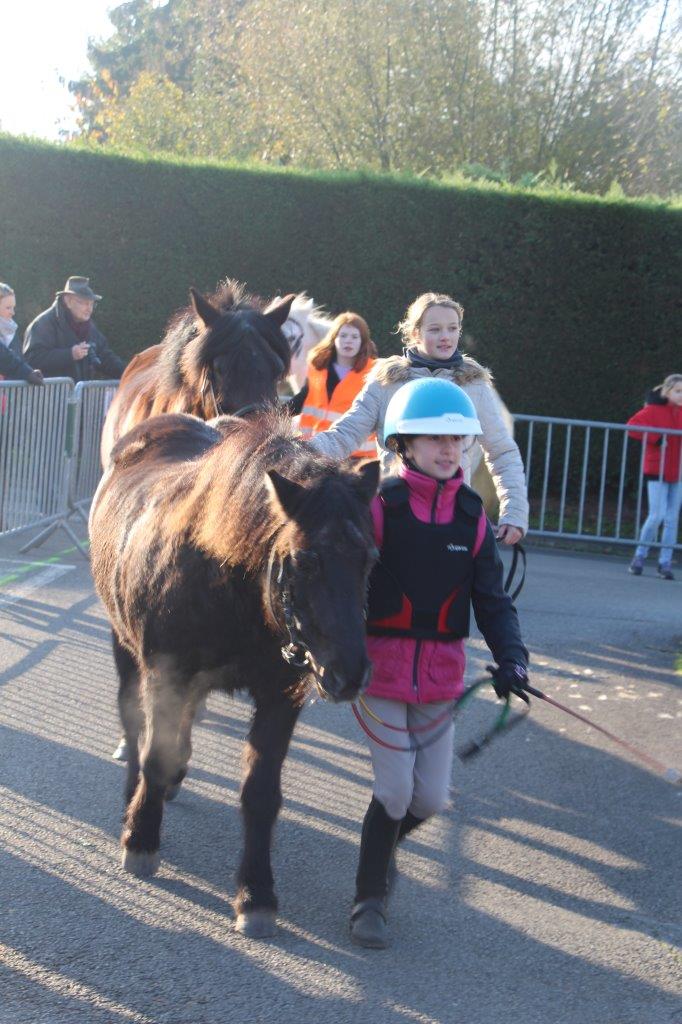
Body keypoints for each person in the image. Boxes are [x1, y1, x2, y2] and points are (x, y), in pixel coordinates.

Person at [349, 377, 529, 949]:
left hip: (442, 679)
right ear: (403, 443)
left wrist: (512, 661)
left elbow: (492, 602)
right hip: (380, 673)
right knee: (397, 792)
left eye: (458, 439)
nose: (449, 450)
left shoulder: (474, 518)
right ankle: (368, 900)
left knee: (431, 799)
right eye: (434, 439)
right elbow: (340, 583)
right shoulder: (378, 507)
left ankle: (380, 857)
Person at [308, 292, 528, 542]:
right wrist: (295, 453)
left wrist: (514, 514)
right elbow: (344, 435)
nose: (445, 337)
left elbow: (502, 452)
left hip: (453, 517)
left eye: (453, 328)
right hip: (393, 513)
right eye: (434, 329)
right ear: (415, 333)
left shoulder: (474, 385)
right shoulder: (386, 381)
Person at [289, 311, 379, 457]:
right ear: (333, 338)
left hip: (357, 456)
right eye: (343, 336)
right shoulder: (317, 368)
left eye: (354, 337)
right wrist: (271, 413)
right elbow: (302, 399)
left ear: (362, 342)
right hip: (318, 450)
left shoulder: (374, 372)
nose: (348, 341)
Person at [627, 373, 682, 580]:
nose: (681, 396)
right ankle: (639, 557)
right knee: (656, 515)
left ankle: (664, 562)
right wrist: (656, 439)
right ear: (667, 391)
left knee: (671, 518)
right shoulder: (652, 409)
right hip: (656, 469)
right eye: (678, 391)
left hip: (678, 472)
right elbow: (632, 426)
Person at [23, 276, 125, 382]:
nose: (89, 309)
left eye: (92, 304)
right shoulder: (43, 324)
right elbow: (32, 360)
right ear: (68, 301)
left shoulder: (90, 327)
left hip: (79, 397)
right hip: (48, 396)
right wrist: (69, 354)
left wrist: (130, 374)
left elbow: (105, 357)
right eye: (84, 303)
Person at [0, 283, 43, 384]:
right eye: (8, 308)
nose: (13, 312)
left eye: (13, 307)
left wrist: (28, 372)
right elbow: (4, 357)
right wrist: (27, 373)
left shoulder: (12, 332)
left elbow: (15, 360)